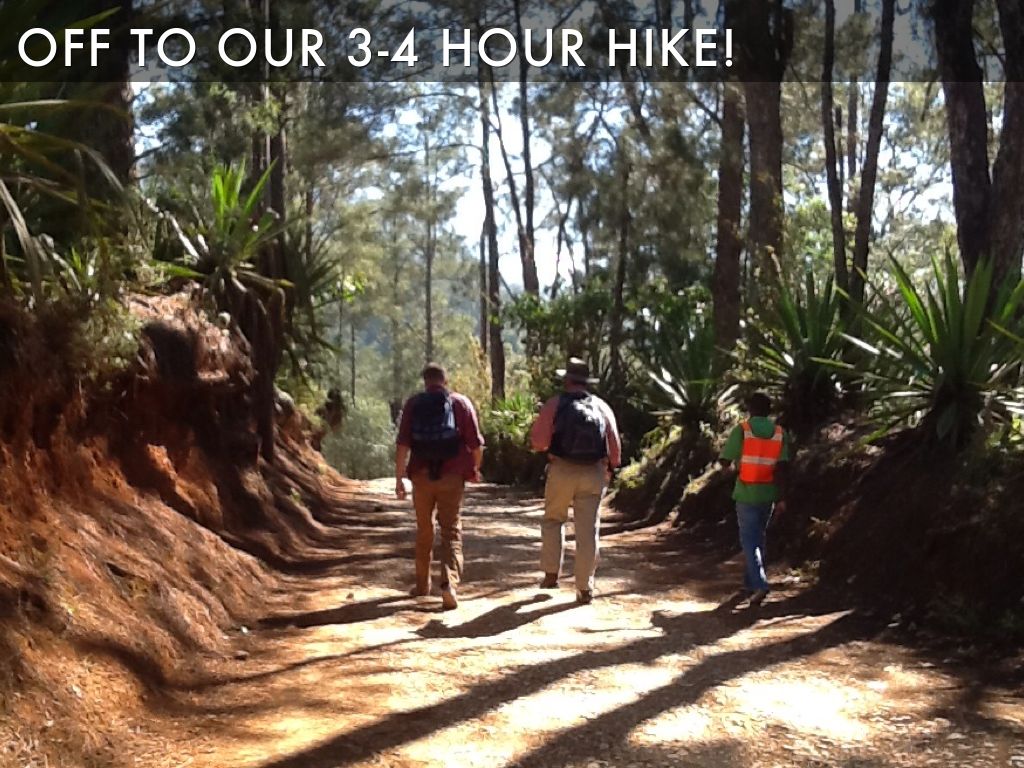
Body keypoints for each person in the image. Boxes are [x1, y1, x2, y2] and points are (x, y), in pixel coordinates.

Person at [530, 358, 621, 605]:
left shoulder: (555, 404)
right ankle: (584, 587)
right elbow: (614, 449)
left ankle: (551, 574)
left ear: (566, 380)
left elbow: (538, 442)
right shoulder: (601, 406)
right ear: (587, 382)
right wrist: (609, 469)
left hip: (562, 469)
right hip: (593, 472)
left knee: (553, 519)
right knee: (588, 530)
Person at [395, 363, 484, 610]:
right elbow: (476, 444)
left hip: (421, 476)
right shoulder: (460, 403)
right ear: (446, 380)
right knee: (450, 530)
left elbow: (402, 444)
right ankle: (449, 586)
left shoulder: (414, 404)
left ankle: (422, 585)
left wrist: (399, 478)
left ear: (425, 381)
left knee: (424, 529)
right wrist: (474, 469)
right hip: (452, 477)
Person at [718, 392, 791, 607]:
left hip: (746, 493)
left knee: (749, 541)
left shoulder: (743, 430)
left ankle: (760, 584)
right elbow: (783, 468)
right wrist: (782, 498)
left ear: (750, 409)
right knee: (758, 538)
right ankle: (749, 584)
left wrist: (728, 470)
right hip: (768, 494)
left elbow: (725, 460)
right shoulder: (779, 433)